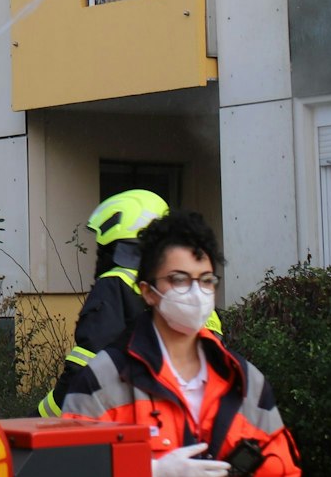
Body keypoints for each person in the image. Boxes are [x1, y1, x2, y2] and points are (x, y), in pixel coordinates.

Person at [59, 212, 300, 477]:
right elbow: (71, 467)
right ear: (148, 292)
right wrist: (150, 471)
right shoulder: (103, 380)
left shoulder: (246, 382)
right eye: (179, 279)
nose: (196, 293)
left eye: (206, 280)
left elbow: (283, 468)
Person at [39, 190, 224, 417]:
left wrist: (41, 418)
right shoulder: (194, 295)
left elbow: (86, 366)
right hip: (194, 417)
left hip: (131, 422)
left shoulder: (116, 283)